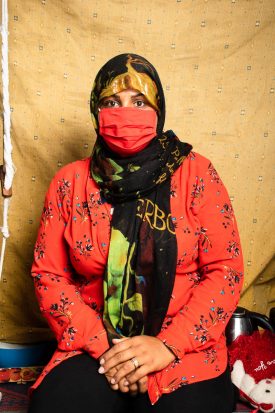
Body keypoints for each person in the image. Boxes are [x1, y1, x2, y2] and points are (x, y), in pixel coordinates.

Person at [28, 53, 244, 413]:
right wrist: (110, 348)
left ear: (158, 109)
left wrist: (166, 346)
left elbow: (226, 270)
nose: (125, 113)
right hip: (94, 346)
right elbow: (48, 276)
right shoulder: (70, 182)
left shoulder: (198, 175)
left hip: (185, 349)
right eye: (111, 102)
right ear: (95, 110)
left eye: (139, 101)